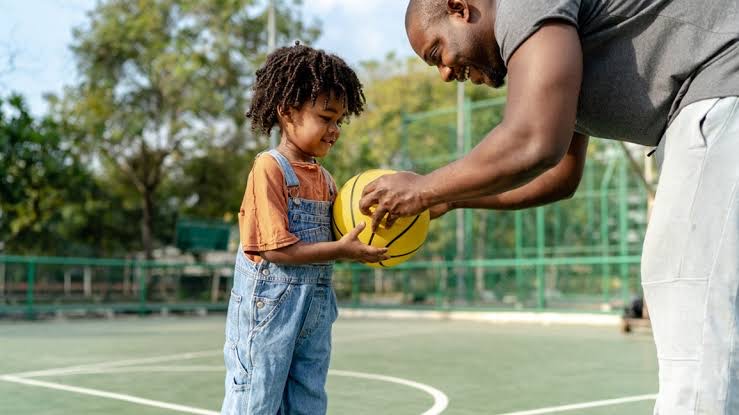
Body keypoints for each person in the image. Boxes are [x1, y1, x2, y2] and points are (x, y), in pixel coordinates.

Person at [359, 1, 739, 413]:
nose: (446, 73)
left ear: (459, 8)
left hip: (722, 89)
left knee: (685, 287)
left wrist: (425, 189)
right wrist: (449, 197)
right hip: (714, 99)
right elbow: (557, 174)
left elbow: (533, 141)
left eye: (437, 53)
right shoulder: (550, 40)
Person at [221, 42, 388, 415]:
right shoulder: (270, 168)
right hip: (269, 310)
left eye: (339, 121)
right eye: (326, 117)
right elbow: (277, 251)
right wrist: (343, 250)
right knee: (256, 398)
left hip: (314, 309)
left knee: (308, 399)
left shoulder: (328, 181)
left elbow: (340, 237)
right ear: (287, 112)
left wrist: (372, 223)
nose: (334, 130)